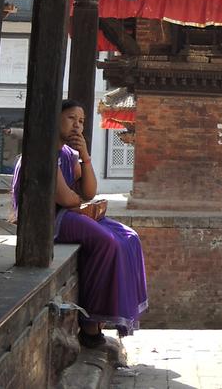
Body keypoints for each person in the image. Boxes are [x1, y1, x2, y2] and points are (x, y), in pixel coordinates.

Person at [12, 100, 148, 347]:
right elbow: (67, 198)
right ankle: (90, 321)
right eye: (71, 118)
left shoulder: (68, 153)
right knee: (106, 242)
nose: (77, 125)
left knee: (129, 237)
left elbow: (88, 191)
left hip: (71, 214)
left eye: (82, 121)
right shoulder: (42, 152)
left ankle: (109, 315)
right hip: (49, 221)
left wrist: (85, 157)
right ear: (56, 119)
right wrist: (78, 201)